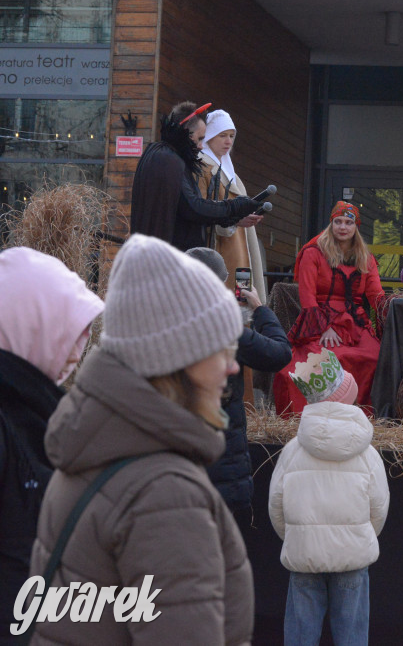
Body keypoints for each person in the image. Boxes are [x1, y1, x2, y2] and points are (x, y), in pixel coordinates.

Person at [30, 234, 253, 644]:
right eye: (222, 349)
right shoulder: (164, 492)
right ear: (177, 359)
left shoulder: (88, 451)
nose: (233, 366)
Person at [0, 248, 103, 645]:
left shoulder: (40, 413)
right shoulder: (16, 422)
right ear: (30, 326)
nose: (77, 354)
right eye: (66, 334)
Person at [268, 374, 390, 646]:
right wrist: (359, 536)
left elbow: (276, 506)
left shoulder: (292, 451)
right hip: (352, 554)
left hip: (305, 553)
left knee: (301, 636)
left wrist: (298, 537)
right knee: (352, 636)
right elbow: (378, 509)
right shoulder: (368, 454)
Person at [187, 246, 291, 528]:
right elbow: (279, 353)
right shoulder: (224, 330)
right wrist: (260, 309)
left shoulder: (155, 323)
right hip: (220, 467)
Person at [273, 201, 386, 415]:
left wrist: (393, 308)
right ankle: (311, 415)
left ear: (356, 226)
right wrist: (323, 328)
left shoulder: (365, 257)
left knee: (374, 357)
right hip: (319, 320)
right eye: (338, 222)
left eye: (348, 222)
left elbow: (376, 295)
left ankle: (362, 415)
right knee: (318, 363)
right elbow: (307, 296)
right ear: (331, 224)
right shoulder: (313, 252)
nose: (343, 227)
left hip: (355, 322)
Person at [129, 100, 262, 251]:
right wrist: (234, 207)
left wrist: (230, 217)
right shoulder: (168, 159)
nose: (200, 146)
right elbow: (193, 207)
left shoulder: (162, 154)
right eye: (199, 139)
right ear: (185, 132)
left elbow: (186, 210)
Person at [197, 109, 267, 301]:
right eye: (222, 135)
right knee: (226, 303)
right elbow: (202, 210)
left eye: (231, 136)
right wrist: (234, 220)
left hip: (238, 246)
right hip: (219, 249)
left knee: (242, 299)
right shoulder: (203, 167)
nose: (228, 141)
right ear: (209, 136)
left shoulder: (230, 172)